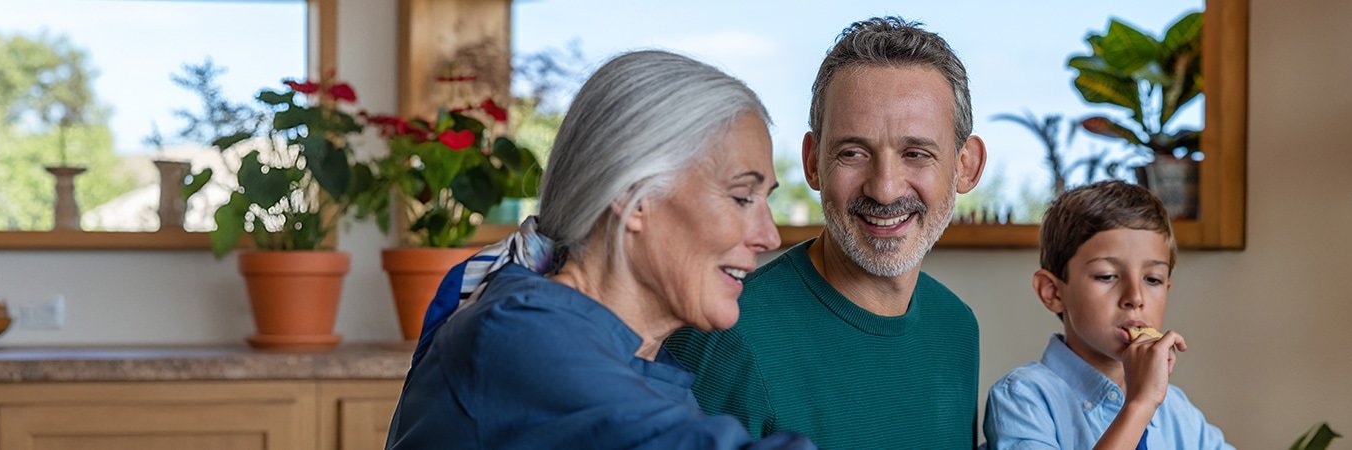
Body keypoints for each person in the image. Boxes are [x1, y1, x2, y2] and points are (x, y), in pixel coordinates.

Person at [385, 50, 814, 450]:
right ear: (633, 197)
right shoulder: (520, 335)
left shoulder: (643, 363)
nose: (768, 237)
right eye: (742, 198)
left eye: (766, 202)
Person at [665, 16, 988, 449]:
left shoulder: (957, 328)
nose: (885, 187)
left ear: (966, 166)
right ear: (814, 162)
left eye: (916, 153)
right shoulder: (727, 341)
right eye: (853, 152)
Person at [983, 181, 1234, 450]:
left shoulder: (1176, 410)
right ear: (1053, 292)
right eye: (1107, 276)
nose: (1135, 297)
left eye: (1152, 279)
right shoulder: (1023, 398)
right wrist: (1140, 405)